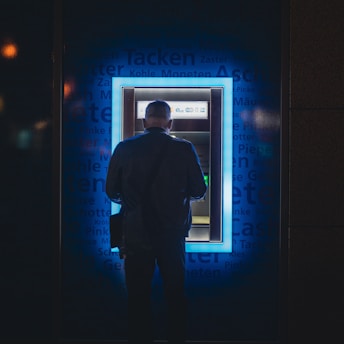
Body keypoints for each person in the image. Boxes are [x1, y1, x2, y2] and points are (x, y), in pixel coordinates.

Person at [106, 100, 207, 344]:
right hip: (172, 236)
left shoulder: (124, 148)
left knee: (138, 296)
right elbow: (199, 189)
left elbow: (111, 191)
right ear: (170, 124)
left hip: (136, 234)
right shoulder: (184, 148)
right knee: (175, 295)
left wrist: (131, 202)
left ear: (144, 122)